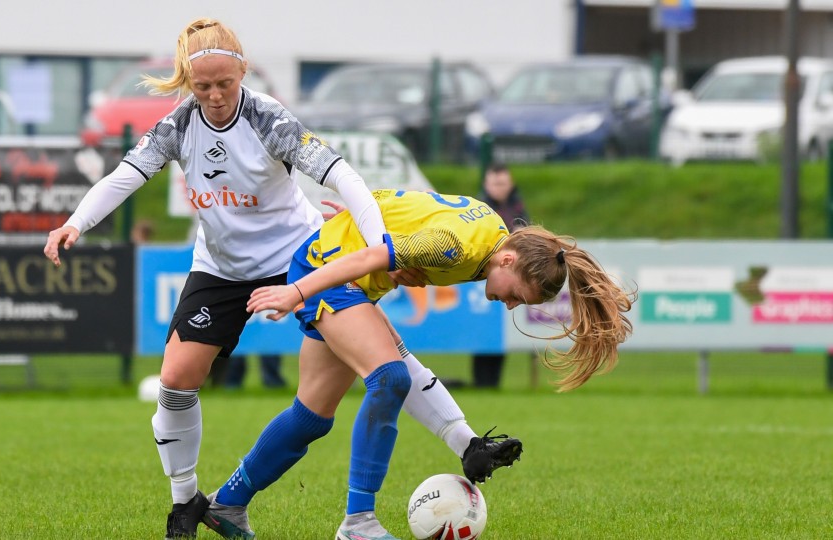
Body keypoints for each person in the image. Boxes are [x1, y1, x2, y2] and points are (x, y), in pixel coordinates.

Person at [43, 19, 519, 540]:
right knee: (181, 379)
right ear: (186, 82)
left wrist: (378, 245)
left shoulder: (269, 119)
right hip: (219, 269)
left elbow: (343, 176)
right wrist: (75, 222)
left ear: (243, 71)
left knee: (384, 366)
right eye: (203, 87)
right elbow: (124, 176)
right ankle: (191, 503)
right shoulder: (178, 127)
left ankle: (410, 483)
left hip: (305, 256)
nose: (216, 95)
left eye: (226, 83)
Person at [202, 189, 635, 540]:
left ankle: (226, 505)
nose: (510, 305)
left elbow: (411, 207)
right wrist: (295, 291)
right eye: (517, 295)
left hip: (344, 271)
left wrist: (360, 223)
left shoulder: (491, 236)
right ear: (509, 259)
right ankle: (358, 525)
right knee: (388, 376)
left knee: (311, 417)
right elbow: (373, 259)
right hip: (328, 272)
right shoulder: (455, 247)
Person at [472, 164, 530, 388]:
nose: (499, 188)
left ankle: (492, 383)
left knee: (500, 336)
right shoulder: (480, 207)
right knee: (483, 333)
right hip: (483, 282)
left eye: (503, 183)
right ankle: (482, 382)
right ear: (486, 184)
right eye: (495, 183)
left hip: (507, 280)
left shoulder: (517, 207)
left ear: (511, 184)